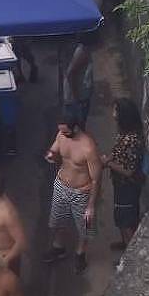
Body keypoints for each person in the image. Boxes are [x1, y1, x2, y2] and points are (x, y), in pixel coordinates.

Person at [43, 113, 103, 274]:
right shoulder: (62, 135)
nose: (63, 134)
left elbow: (96, 179)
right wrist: (51, 155)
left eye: (66, 131)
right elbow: (54, 149)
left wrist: (91, 205)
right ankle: (58, 247)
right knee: (58, 220)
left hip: (81, 191)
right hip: (61, 185)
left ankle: (80, 253)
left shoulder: (88, 147)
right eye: (61, 131)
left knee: (85, 226)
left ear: (75, 128)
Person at [102, 98, 145, 249]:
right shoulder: (125, 133)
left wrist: (108, 163)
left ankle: (131, 251)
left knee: (125, 220)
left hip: (127, 187)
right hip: (121, 185)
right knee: (122, 216)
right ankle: (125, 243)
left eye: (115, 111)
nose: (113, 114)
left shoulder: (131, 140)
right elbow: (118, 152)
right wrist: (109, 160)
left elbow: (129, 171)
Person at [64, 32, 95, 127]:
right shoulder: (82, 52)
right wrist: (76, 97)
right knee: (78, 127)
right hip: (78, 98)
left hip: (81, 96)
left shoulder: (85, 50)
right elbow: (70, 73)